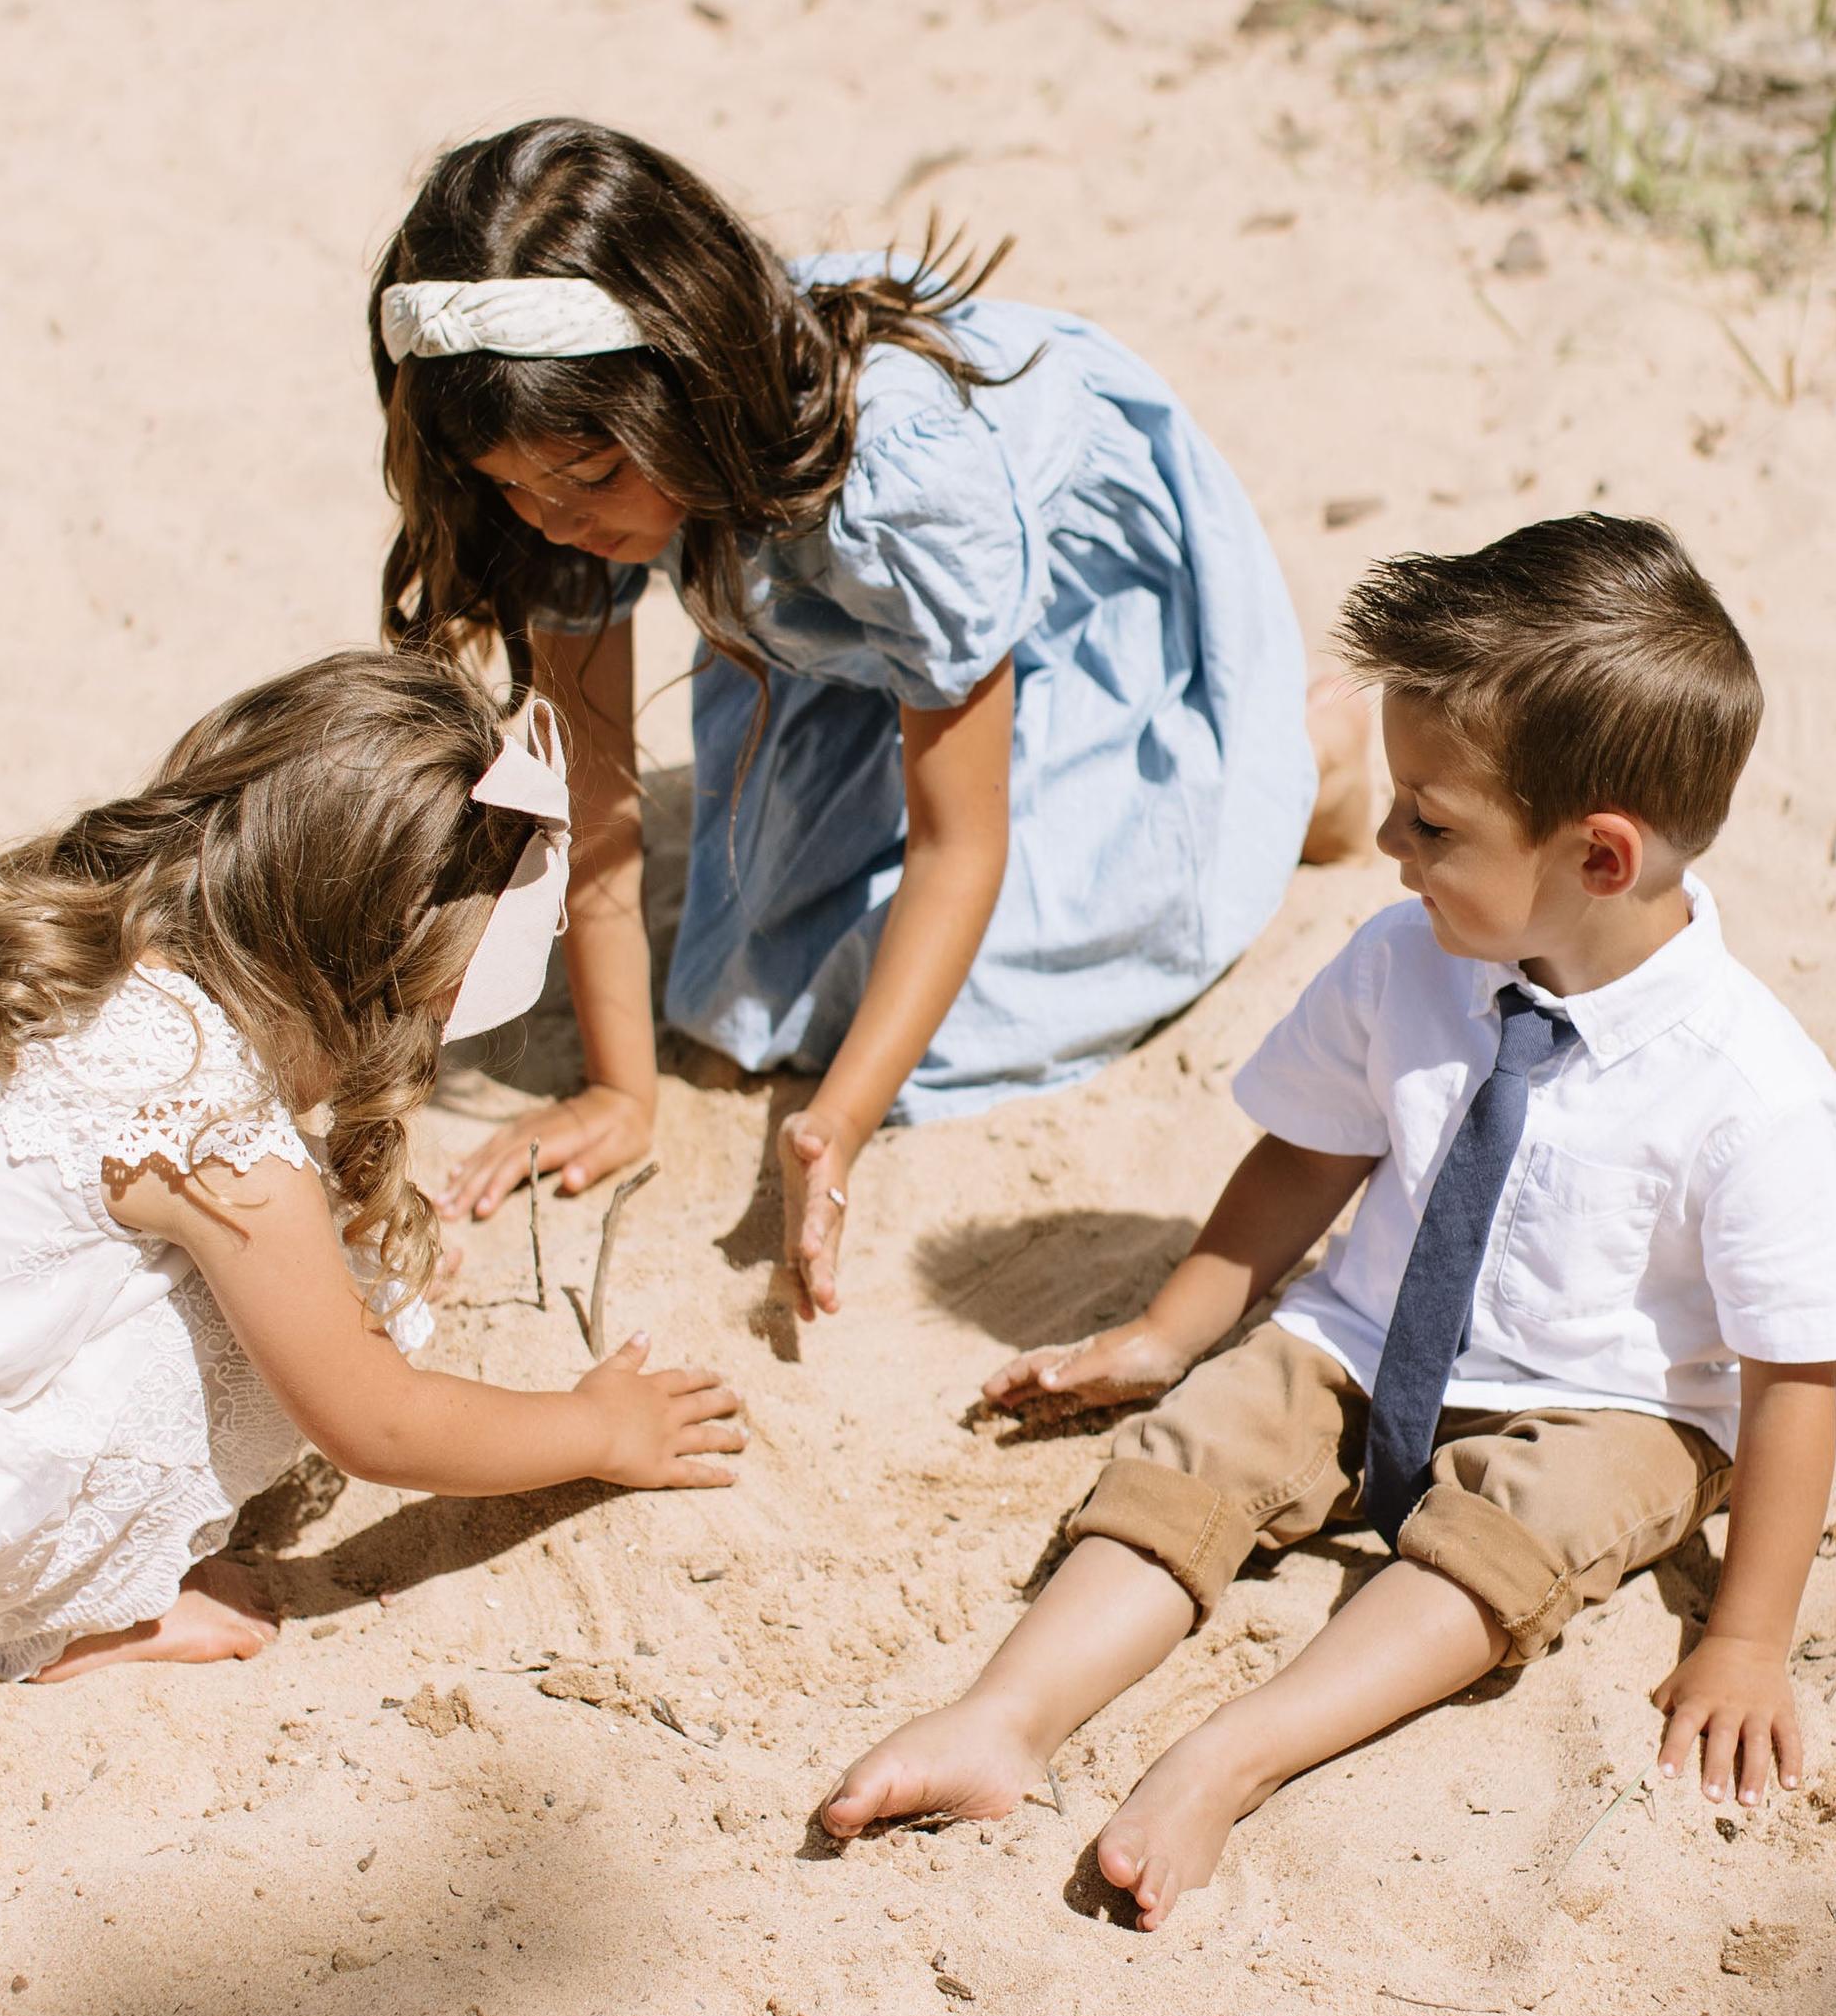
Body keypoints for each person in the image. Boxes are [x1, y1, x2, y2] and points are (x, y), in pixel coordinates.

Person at [821, 514, 1836, 1926]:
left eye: (1432, 823)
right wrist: (1169, 1327)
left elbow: (1794, 1377)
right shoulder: (1409, 959)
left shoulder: (1754, 1093)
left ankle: (1233, 1755)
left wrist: (1748, 1639)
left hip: (1606, 1404)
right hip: (1366, 1336)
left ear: (1600, 859)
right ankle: (1005, 1715)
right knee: (1201, 1444)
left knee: (1515, 1534)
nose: (1384, 841)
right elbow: (1305, 1161)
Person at [372, 118, 1368, 1319]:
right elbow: (597, 801)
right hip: (833, 622)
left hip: (1055, 608)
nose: (546, 520)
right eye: (506, 487)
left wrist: (833, 1124)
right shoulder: (563, 477)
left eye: (585, 481)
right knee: (745, 1011)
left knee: (1031, 980)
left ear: (685, 387)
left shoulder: (898, 484)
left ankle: (1299, 755)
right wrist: (621, 1092)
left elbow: (962, 845)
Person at [0, 653, 743, 1686]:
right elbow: (377, 1420)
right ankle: (83, 1614)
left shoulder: (47, 936)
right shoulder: (208, 1121)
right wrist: (598, 1428)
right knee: (285, 1323)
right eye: (426, 1006)